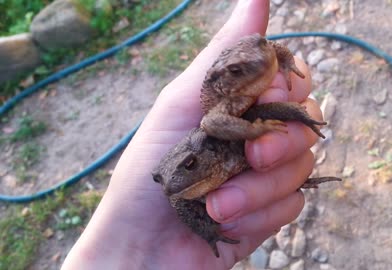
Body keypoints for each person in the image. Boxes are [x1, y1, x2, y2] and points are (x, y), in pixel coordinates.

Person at [61, 0, 324, 269]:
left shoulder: (245, 83)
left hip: (221, 138)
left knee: (266, 148)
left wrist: (294, 109)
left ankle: (297, 173)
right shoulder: (191, 175)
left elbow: (266, 71)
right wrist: (206, 230)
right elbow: (176, 189)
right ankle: (296, 176)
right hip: (212, 147)